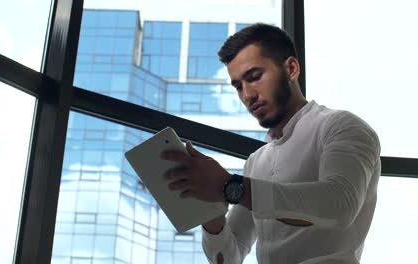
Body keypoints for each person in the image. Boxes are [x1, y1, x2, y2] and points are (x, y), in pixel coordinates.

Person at [161, 23, 381, 264]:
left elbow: (340, 204)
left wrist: (231, 186)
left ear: (292, 68)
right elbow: (229, 257)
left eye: (254, 77)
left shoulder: (341, 126)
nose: (247, 95)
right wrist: (210, 212)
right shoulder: (256, 162)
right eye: (238, 86)